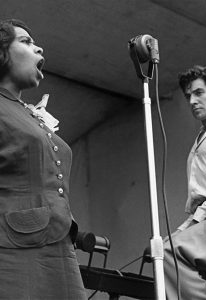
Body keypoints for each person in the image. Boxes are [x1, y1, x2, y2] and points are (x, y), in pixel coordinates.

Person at [0, 19, 87, 299]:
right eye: (25, 42)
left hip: (57, 245)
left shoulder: (26, 111)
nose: (39, 49)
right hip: (11, 249)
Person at [164, 65, 206, 300]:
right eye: (189, 96)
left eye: (199, 93)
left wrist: (191, 224)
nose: (192, 101)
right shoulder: (201, 137)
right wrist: (184, 225)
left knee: (169, 251)